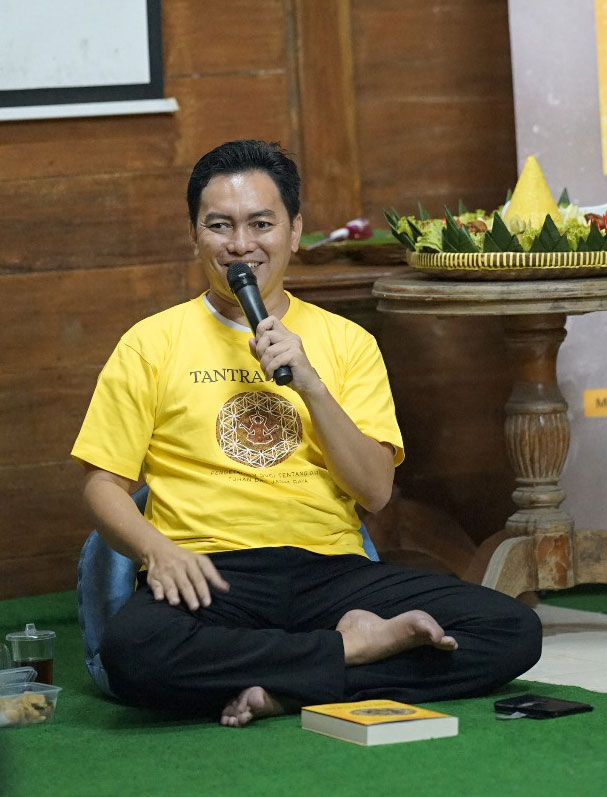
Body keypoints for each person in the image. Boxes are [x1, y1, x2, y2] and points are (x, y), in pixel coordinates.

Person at [71, 139, 542, 727]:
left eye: (261, 224)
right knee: (134, 651)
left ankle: (285, 685)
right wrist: (157, 550)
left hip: (331, 572)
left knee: (511, 630)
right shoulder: (150, 343)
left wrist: (312, 384)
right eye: (219, 226)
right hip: (214, 574)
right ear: (194, 235)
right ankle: (349, 654)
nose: (240, 244)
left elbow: (374, 492)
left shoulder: (347, 342)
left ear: (294, 231)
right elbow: (102, 485)